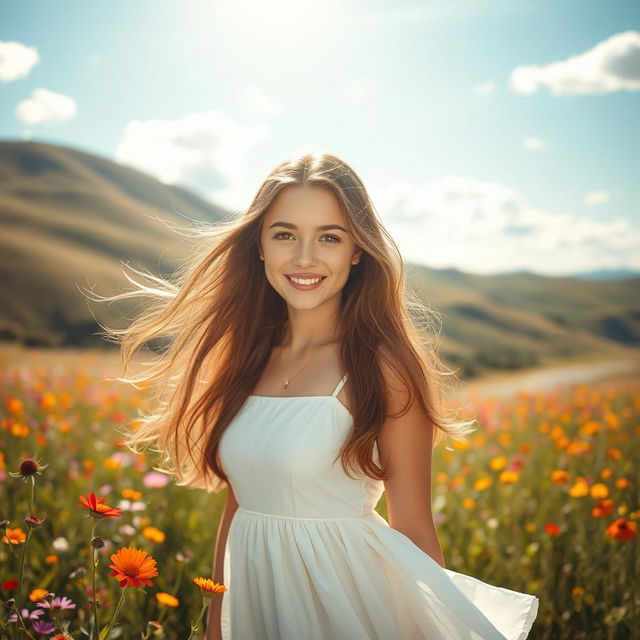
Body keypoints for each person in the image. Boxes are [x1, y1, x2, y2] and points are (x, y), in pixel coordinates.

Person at [98, 149, 539, 639]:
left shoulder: (382, 366)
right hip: (258, 605)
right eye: (285, 234)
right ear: (260, 245)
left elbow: (413, 530)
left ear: (358, 250)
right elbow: (240, 502)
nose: (304, 258)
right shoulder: (248, 355)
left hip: (347, 607)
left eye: (329, 237)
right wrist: (217, 623)